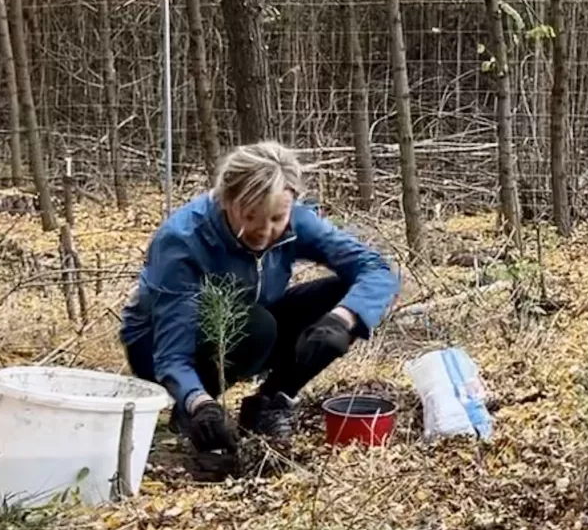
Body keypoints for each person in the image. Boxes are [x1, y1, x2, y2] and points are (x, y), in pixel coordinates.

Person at [122, 142, 400, 453]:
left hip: (253, 327)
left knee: (340, 298)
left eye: (277, 218)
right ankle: (196, 412)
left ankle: (269, 403)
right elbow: (171, 353)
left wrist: (342, 318)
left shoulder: (296, 220)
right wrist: (199, 404)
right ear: (227, 199)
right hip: (157, 346)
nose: (264, 231)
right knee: (257, 326)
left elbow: (376, 269)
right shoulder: (182, 240)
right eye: (251, 216)